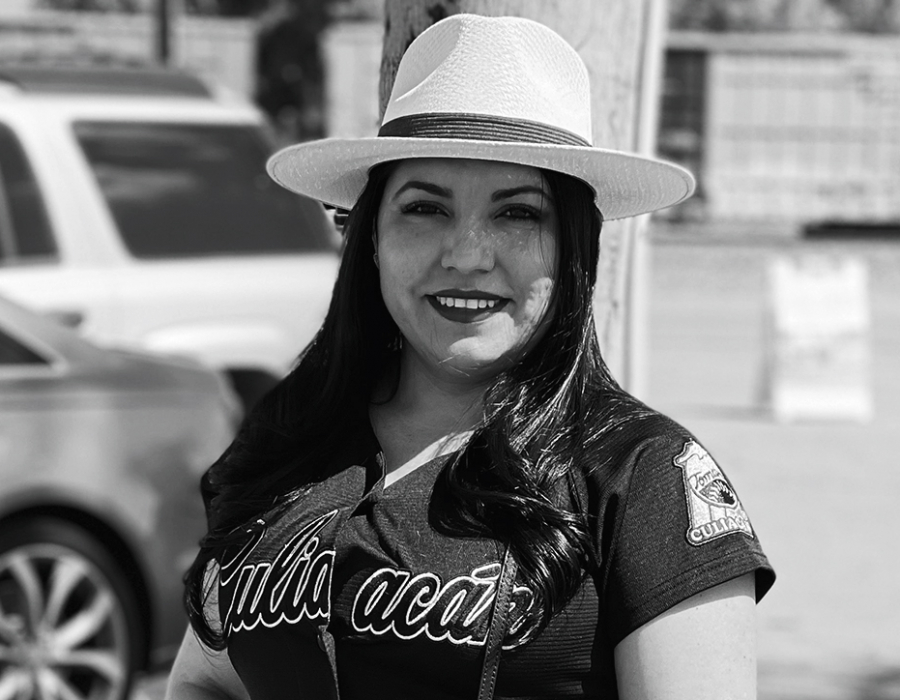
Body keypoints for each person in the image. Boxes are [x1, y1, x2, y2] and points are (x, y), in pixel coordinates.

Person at [166, 13, 775, 700]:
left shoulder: (644, 478)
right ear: (371, 238)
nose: (467, 255)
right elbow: (204, 680)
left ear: (571, 249)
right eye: (425, 209)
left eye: (517, 214)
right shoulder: (290, 436)